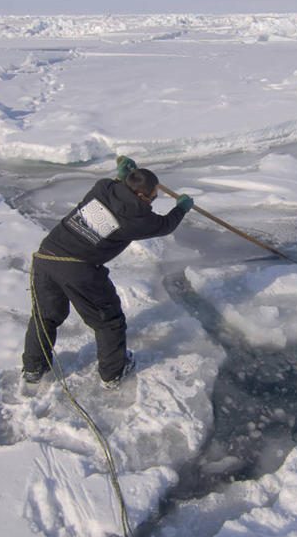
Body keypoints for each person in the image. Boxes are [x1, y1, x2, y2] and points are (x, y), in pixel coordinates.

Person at [22, 156, 194, 388]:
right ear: (142, 196)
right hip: (79, 269)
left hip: (46, 255)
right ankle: (114, 373)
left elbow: (117, 188)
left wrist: (122, 176)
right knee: (109, 321)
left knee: (45, 316)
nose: (154, 199)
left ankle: (34, 368)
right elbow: (165, 225)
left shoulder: (102, 187)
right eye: (154, 195)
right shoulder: (138, 220)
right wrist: (181, 209)